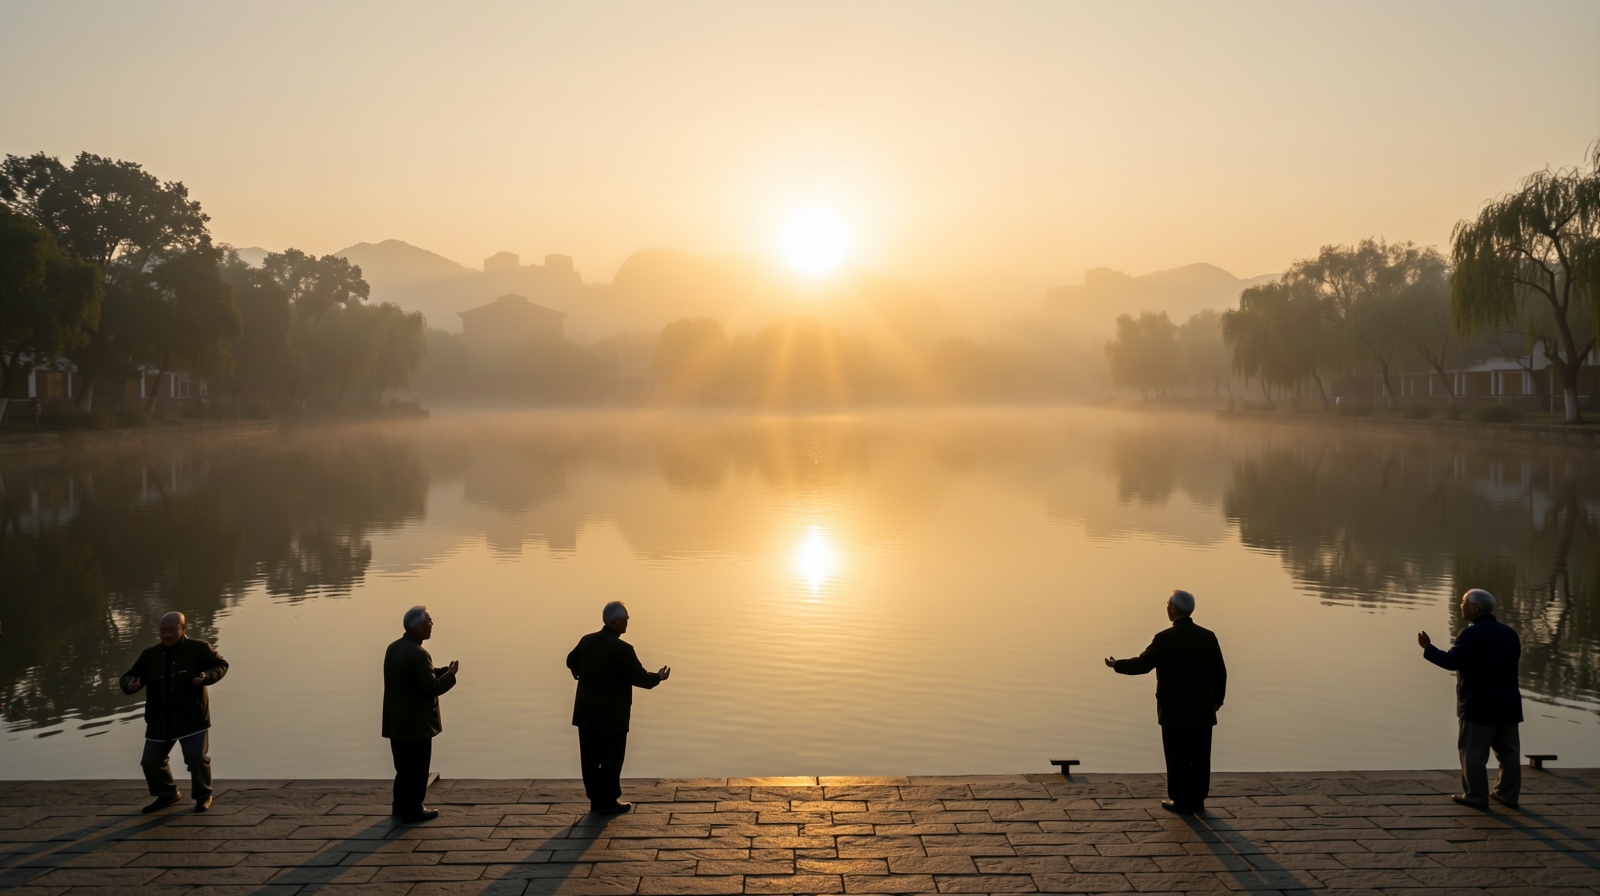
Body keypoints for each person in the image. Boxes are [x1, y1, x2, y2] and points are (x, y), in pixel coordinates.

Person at [1104, 589, 1227, 816]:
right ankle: (1198, 800)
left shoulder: (1165, 638)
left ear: (1172, 609)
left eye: (1167, 604)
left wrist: (1117, 665)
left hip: (1174, 710)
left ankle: (1180, 801)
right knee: (1200, 757)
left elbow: (1142, 664)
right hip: (1202, 710)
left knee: (1177, 756)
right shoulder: (1208, 636)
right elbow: (1220, 672)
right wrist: (1217, 700)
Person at [1418, 588, 1522, 809]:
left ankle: (1476, 796)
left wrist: (1428, 648)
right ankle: (1507, 794)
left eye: (1464, 602)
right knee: (1509, 753)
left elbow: (1451, 661)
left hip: (1479, 704)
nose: (1461, 605)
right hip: (1509, 704)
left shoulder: (1470, 633)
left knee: (1473, 753)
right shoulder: (1509, 633)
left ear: (1475, 608)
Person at [566, 601, 671, 815]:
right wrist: (658, 677)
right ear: (617, 620)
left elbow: (570, 660)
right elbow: (641, 678)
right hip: (612, 716)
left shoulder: (587, 641)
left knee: (590, 760)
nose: (628, 623)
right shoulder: (623, 649)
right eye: (626, 619)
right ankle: (610, 801)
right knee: (611, 760)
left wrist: (578, 671)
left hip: (586, 715)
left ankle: (596, 802)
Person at [119, 612, 229, 814]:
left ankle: (203, 796)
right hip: (160, 719)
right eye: (163, 631)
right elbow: (128, 676)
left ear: (183, 628)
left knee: (196, 758)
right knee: (150, 762)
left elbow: (221, 665)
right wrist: (129, 684)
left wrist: (206, 677)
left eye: (171, 630)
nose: (167, 635)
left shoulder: (199, 649)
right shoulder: (150, 654)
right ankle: (167, 794)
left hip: (192, 717)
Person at [382, 605, 459, 823]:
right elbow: (430, 689)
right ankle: (414, 808)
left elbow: (411, 677)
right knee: (417, 768)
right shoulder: (418, 653)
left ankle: (400, 806)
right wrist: (450, 676)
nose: (432, 625)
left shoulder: (394, 647)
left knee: (403, 768)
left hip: (396, 721)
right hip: (415, 724)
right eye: (428, 622)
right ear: (417, 626)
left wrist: (438, 671)